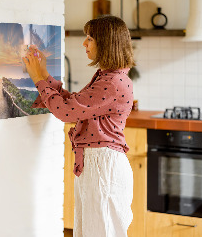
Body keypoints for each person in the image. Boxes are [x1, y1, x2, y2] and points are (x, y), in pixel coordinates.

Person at [23, 15, 135, 237]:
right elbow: (74, 104)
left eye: (90, 38)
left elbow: (66, 112)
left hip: (103, 167)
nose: (84, 43)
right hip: (98, 164)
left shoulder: (112, 82)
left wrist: (37, 79)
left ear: (106, 43)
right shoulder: (108, 77)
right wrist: (44, 74)